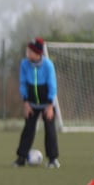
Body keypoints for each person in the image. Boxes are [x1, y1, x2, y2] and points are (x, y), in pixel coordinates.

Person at [14, 37, 60, 168]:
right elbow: (23, 84)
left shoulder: (48, 65)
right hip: (31, 104)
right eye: (27, 51)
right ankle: (21, 158)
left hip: (47, 104)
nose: (27, 54)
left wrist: (50, 105)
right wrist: (26, 102)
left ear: (38, 53)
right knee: (28, 129)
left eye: (30, 52)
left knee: (50, 130)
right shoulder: (24, 64)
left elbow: (52, 85)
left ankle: (52, 159)